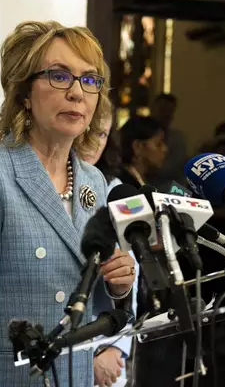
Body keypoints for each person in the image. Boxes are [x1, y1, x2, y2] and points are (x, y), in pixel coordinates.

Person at [0, 21, 136, 387]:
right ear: (25, 92)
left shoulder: (94, 181)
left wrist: (118, 286)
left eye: (90, 80)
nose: (77, 93)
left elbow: (101, 308)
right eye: (60, 76)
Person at [82, 114, 139, 387]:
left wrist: (115, 347)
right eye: (90, 130)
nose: (94, 142)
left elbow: (131, 278)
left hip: (108, 348)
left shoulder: (117, 190)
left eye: (103, 134)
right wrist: (88, 357)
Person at [118, 115, 168, 189]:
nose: (165, 149)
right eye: (158, 144)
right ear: (137, 146)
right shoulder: (124, 185)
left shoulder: (144, 181)